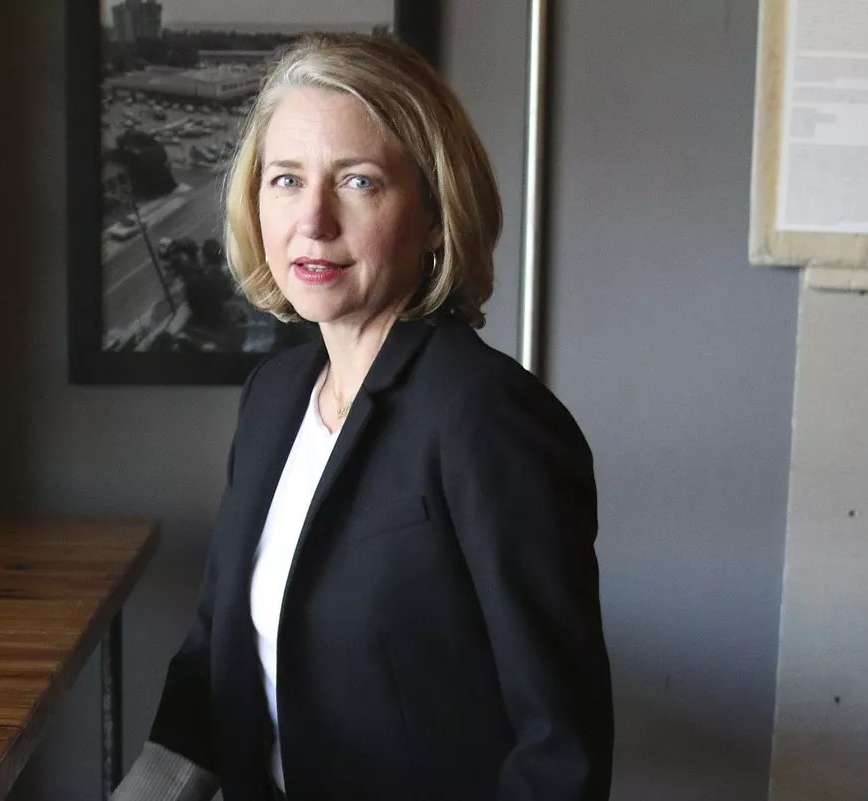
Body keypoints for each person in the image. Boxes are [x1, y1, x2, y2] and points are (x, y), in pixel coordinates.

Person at [112, 32, 613, 801]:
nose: (313, 220)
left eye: (358, 181)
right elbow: (218, 651)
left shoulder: (487, 417)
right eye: (286, 179)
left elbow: (560, 746)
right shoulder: (275, 396)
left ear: (437, 215)